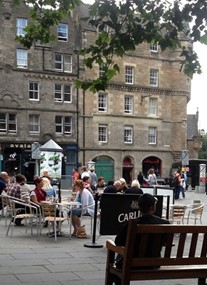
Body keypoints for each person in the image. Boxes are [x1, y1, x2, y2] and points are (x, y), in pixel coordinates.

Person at [112, 193, 170, 284]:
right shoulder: (165, 223)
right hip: (154, 263)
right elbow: (165, 241)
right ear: (153, 207)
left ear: (139, 207)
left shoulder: (132, 224)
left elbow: (118, 242)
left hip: (131, 263)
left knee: (118, 259)